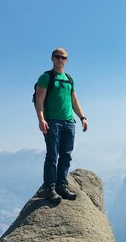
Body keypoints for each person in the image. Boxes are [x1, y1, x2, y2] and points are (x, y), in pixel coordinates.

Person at [35, 47, 88, 203]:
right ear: (52, 58)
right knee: (52, 156)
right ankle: (50, 188)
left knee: (66, 156)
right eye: (57, 57)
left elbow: (74, 101)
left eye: (63, 58)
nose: (60, 60)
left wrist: (82, 117)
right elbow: (39, 100)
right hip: (53, 122)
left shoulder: (69, 79)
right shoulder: (46, 77)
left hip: (69, 122)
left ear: (66, 60)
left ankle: (61, 187)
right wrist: (41, 119)